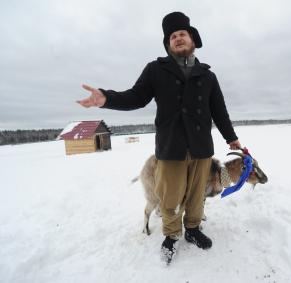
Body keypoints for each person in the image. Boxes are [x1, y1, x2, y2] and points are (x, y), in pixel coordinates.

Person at [77, 11, 241, 264]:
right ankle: (172, 235)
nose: (178, 38)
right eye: (173, 36)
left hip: (201, 149)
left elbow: (219, 111)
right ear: (168, 44)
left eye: (182, 34)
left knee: (197, 195)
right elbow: (135, 97)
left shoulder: (208, 75)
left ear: (192, 40)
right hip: (170, 148)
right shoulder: (156, 70)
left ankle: (194, 229)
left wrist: (232, 138)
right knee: (170, 197)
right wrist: (107, 98)